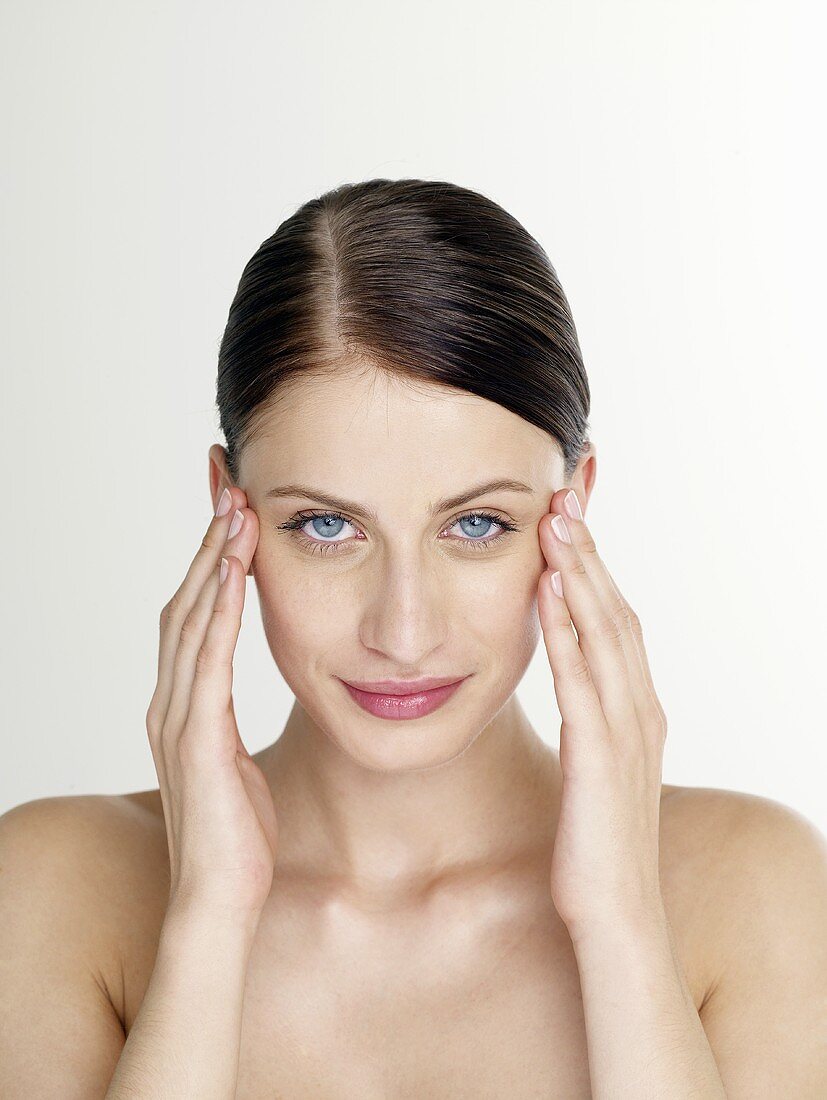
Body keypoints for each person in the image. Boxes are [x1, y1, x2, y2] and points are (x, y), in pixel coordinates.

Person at [1, 179, 825, 1098]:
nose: (402, 632)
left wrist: (623, 922)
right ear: (228, 510)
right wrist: (207, 920)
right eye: (325, 526)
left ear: (573, 506)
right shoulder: (55, 885)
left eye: (475, 526)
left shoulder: (752, 886)